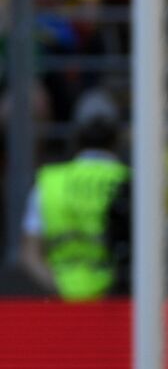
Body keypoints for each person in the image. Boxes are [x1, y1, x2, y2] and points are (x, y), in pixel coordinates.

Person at [21, 88, 130, 299]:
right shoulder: (131, 182)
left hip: (64, 300)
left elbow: (29, 255)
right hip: (118, 303)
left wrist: (61, 288)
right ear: (117, 137)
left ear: (76, 134)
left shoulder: (49, 182)